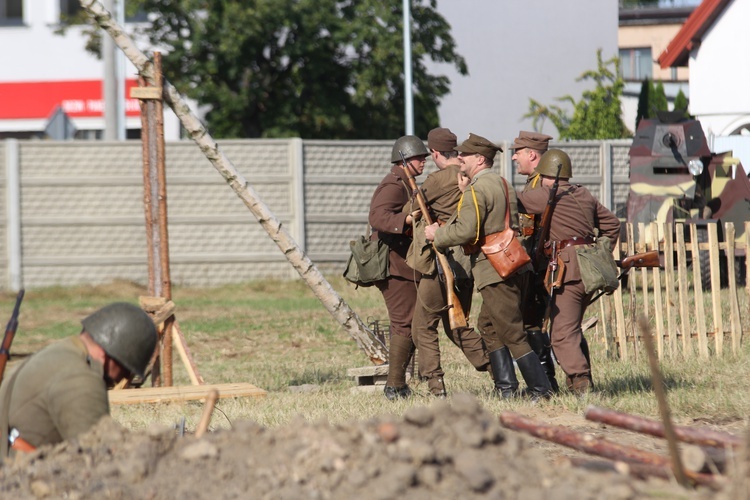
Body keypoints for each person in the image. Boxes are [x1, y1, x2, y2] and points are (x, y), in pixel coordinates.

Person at [424, 133, 552, 400]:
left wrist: (438, 235)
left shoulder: (477, 188)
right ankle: (506, 387)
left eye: (465, 155)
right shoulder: (501, 183)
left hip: (494, 269)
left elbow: (466, 230)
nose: (459, 157)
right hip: (512, 262)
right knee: (489, 327)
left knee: (511, 332)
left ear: (480, 159)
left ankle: (541, 390)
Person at [516, 149, 620, 395]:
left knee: (562, 333)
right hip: (589, 270)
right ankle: (577, 385)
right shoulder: (583, 193)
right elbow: (612, 225)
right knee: (570, 328)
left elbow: (514, 201)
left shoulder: (545, 195)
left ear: (545, 175)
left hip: (568, 271)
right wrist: (600, 253)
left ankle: (582, 384)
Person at [0, 302, 158, 456]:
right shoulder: (80, 379)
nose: (123, 378)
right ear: (114, 358)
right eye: (127, 370)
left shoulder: (55, 355)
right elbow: (100, 460)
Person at [410, 127, 491, 398]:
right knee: (456, 326)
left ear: (434, 153)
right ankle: (497, 369)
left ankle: (436, 386)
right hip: (469, 260)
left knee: (424, 325)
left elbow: (408, 209)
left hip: (443, 261)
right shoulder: (471, 175)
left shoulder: (437, 179)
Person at [369, 135, 427, 400]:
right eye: (418, 158)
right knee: (404, 323)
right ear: (404, 159)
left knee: (412, 322)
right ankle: (394, 386)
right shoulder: (394, 184)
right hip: (394, 265)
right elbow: (378, 216)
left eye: (424, 157)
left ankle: (398, 385)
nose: (423, 161)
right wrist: (405, 218)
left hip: (403, 265)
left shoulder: (406, 181)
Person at [510, 131, 559, 392]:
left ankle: (557, 382)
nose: (515, 157)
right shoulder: (534, 181)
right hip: (534, 261)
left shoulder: (543, 184)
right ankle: (547, 380)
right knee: (533, 321)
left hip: (542, 263)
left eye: (518, 152)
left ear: (532, 154)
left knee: (549, 323)